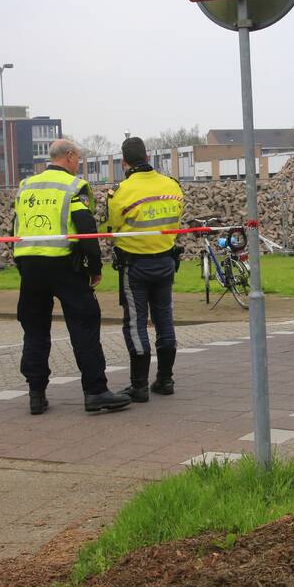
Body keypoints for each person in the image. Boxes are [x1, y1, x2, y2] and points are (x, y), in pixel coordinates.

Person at [13, 139, 131, 415]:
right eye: (77, 158)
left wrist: (21, 263)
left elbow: (16, 226)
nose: (78, 163)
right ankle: (95, 392)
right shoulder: (72, 186)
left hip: (30, 267)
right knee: (84, 327)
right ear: (68, 156)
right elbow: (85, 228)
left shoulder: (25, 186)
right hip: (65, 266)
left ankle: (36, 394)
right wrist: (94, 268)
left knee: (35, 330)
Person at [106, 137, 185, 402]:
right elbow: (178, 216)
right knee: (165, 320)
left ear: (124, 162)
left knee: (135, 323)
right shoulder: (172, 186)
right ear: (148, 158)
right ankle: (165, 379)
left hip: (134, 266)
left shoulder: (120, 193)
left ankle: (138, 385)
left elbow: (113, 229)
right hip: (165, 262)